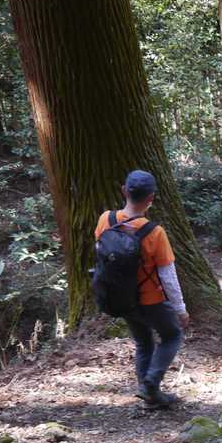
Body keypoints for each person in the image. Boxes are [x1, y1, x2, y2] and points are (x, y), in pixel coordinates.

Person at [94, 170, 190, 408]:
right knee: (172, 335)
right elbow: (168, 276)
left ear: (124, 191)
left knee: (143, 341)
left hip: (120, 297)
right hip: (151, 300)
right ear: (151, 198)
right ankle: (150, 386)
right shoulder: (155, 232)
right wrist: (180, 309)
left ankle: (148, 393)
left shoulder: (106, 219)